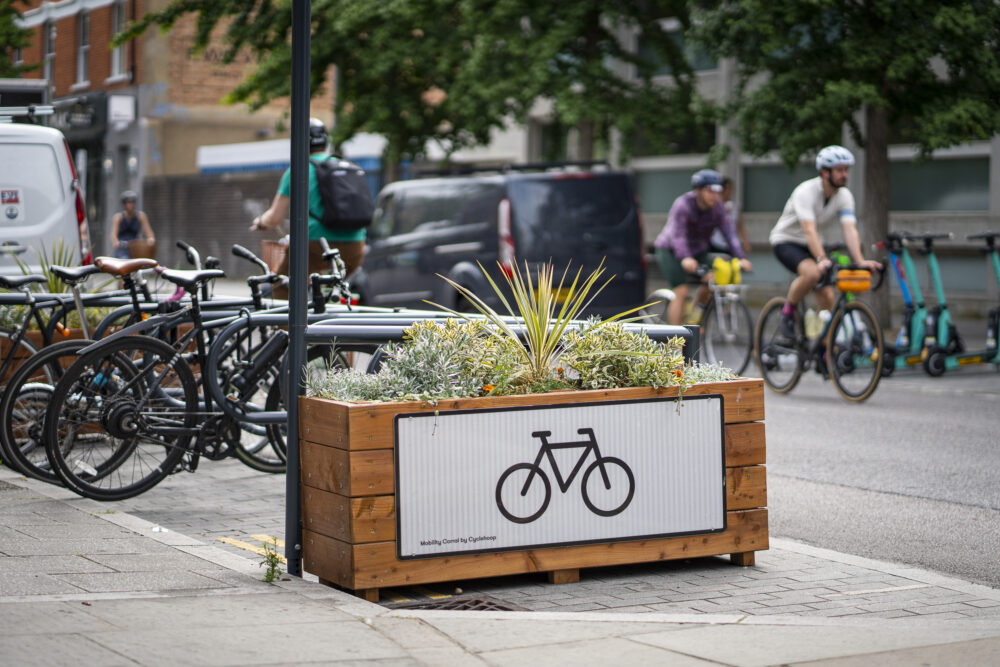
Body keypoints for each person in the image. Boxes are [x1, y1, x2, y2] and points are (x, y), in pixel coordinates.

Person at [769, 145, 882, 339]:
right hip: (787, 241)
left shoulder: (844, 196)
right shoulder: (805, 192)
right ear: (824, 172)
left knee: (828, 297)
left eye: (846, 170)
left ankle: (822, 345)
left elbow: (850, 230)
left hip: (812, 244)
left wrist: (861, 261)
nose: (844, 175)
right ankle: (788, 312)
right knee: (812, 273)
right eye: (839, 170)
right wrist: (821, 258)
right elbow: (809, 229)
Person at [251, 118, 366, 299]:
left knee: (283, 286)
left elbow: (274, 218)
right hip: (355, 248)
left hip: (315, 245)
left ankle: (287, 327)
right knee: (334, 289)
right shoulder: (345, 166)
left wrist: (260, 222)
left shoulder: (297, 170)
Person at [653, 169, 752, 325]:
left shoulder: (717, 207)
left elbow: (729, 232)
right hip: (671, 250)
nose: (715, 195)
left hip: (698, 250)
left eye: (718, 191)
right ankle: (675, 340)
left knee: (714, 279)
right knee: (681, 290)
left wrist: (740, 257)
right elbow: (679, 235)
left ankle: (693, 316)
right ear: (698, 190)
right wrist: (685, 257)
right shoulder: (683, 204)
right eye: (710, 191)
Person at [110, 190, 155, 259]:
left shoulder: (141, 216)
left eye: (132, 202)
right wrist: (116, 243)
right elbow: (114, 235)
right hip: (122, 248)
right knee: (124, 260)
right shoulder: (118, 217)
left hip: (135, 248)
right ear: (125, 204)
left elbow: (149, 232)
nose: (131, 205)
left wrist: (150, 239)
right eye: (129, 203)